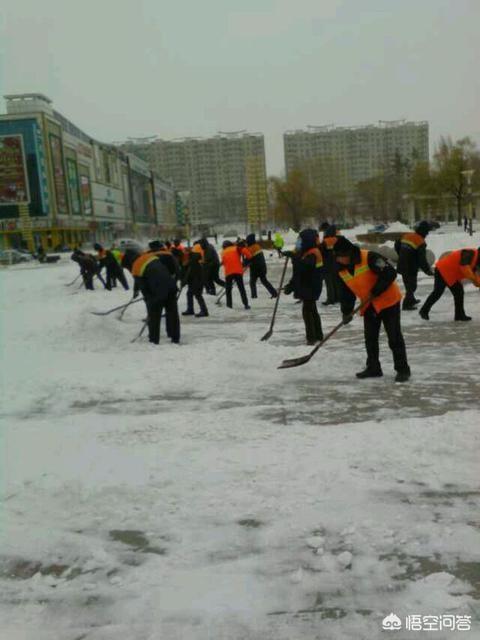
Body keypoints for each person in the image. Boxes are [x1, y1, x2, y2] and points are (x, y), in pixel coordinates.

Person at [334, 236, 410, 383]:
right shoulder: (341, 269)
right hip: (369, 305)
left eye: (341, 256)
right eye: (337, 257)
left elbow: (390, 273)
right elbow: (346, 293)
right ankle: (373, 368)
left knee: (394, 338)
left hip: (389, 302)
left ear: (349, 254)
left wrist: (376, 291)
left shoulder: (369, 257)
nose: (338, 260)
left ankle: (402, 369)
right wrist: (346, 311)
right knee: (370, 339)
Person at [122, 250, 180, 345]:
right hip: (171, 286)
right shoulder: (150, 257)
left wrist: (149, 301)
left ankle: (154, 340)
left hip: (158, 291)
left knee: (154, 316)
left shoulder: (136, 267)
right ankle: (175, 338)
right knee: (172, 314)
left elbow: (144, 288)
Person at [284, 229, 324, 344]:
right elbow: (298, 274)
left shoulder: (313, 252)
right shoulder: (306, 252)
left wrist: (294, 257)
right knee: (312, 310)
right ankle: (318, 335)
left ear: (307, 240)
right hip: (308, 286)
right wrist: (291, 286)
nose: (298, 242)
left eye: (300, 239)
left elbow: (305, 268)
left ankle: (311, 338)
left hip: (311, 286)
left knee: (308, 311)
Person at [419, 247, 480, 321]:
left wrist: (477, 282)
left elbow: (476, 274)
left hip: (450, 273)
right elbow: (464, 267)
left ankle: (459, 315)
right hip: (443, 269)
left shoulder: (477, 260)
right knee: (438, 292)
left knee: (458, 292)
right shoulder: (470, 253)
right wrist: (474, 279)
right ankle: (424, 311)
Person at [394, 221, 433, 310]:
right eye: (427, 232)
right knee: (412, 286)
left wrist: (401, 255)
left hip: (402, 264)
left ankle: (411, 300)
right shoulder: (420, 242)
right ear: (424, 231)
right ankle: (406, 305)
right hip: (410, 266)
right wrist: (427, 271)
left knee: (408, 284)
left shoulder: (407, 235)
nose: (427, 234)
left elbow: (396, 244)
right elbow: (422, 259)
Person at [245, 233, 277, 299]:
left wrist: (243, 264)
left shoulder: (251, 248)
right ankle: (274, 293)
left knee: (252, 282)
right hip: (262, 267)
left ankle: (254, 296)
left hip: (255, 269)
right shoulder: (257, 246)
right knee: (264, 281)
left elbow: (248, 259)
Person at [221, 240, 251, 309]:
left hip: (228, 272)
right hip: (238, 272)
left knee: (228, 290)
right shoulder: (236, 248)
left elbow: (224, 261)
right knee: (241, 288)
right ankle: (246, 304)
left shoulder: (222, 252)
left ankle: (229, 305)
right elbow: (247, 253)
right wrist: (248, 259)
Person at [182, 245, 209, 317]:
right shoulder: (189, 260)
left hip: (197, 279)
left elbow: (189, 273)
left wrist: (184, 281)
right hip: (192, 280)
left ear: (189, 252)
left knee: (198, 295)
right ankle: (190, 309)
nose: (184, 255)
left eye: (185, 253)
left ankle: (204, 311)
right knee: (189, 294)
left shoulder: (193, 260)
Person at [320, 224, 341, 305]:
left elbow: (321, 251)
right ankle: (337, 298)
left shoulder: (326, 241)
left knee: (329, 283)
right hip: (336, 264)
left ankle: (330, 299)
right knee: (336, 282)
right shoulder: (337, 239)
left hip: (327, 264)